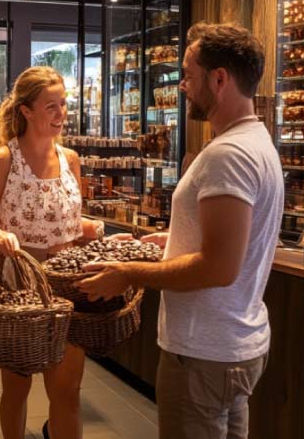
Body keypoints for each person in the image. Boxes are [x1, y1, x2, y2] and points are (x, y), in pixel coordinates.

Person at [76, 22, 283, 439]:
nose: (182, 86)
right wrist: (171, 242)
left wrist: (129, 273)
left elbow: (218, 268)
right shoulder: (255, 142)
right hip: (231, 344)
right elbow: (226, 247)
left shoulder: (229, 154)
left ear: (219, 79)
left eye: (188, 75)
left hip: (203, 353)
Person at [0, 66, 105, 439]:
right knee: (16, 386)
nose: (61, 114)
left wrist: (88, 230)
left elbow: (72, 221)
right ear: (26, 111)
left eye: (63, 104)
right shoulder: (3, 160)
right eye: (51, 106)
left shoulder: (70, 160)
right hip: (19, 284)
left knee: (67, 391)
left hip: (65, 284)